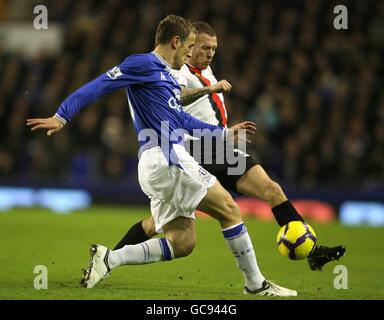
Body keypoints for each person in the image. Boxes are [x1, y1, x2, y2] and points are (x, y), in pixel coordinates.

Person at [27, 15, 297, 296]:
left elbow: (179, 119)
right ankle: (256, 285)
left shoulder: (168, 77)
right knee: (229, 209)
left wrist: (224, 134)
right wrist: (62, 116)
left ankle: (109, 258)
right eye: (190, 46)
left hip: (161, 161)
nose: (191, 53)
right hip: (167, 158)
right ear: (176, 42)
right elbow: (99, 85)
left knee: (182, 241)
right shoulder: (142, 63)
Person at [113, 21, 346, 272]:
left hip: (220, 149)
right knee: (158, 225)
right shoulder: (177, 71)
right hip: (192, 152)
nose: (210, 53)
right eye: (203, 47)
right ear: (189, 47)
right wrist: (209, 88)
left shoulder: (208, 69)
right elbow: (177, 96)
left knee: (272, 189)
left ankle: (312, 251)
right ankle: (109, 258)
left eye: (214, 48)